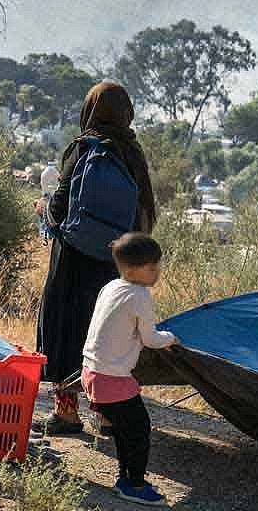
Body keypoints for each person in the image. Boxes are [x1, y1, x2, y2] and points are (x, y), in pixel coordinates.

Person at [37, 81, 157, 434]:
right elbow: (145, 215)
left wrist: (44, 211)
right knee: (108, 334)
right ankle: (107, 414)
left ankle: (67, 412)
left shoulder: (83, 148)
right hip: (115, 264)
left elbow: (59, 209)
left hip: (72, 259)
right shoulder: (132, 153)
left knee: (65, 328)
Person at [81, 232, 178, 506]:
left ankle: (126, 478)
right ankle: (134, 484)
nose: (157, 272)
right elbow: (150, 339)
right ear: (132, 269)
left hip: (90, 371)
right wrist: (171, 338)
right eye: (152, 267)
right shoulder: (140, 296)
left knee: (126, 430)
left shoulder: (111, 287)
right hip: (112, 378)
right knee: (138, 431)